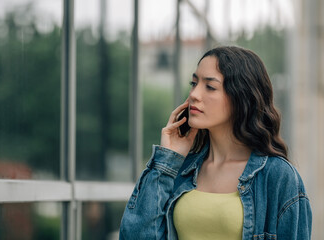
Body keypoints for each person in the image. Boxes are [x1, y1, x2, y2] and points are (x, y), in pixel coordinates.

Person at [119, 46, 312, 240]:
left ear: (241, 96)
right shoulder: (181, 169)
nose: (194, 94)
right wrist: (167, 160)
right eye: (193, 83)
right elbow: (135, 235)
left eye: (210, 86)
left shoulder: (278, 176)